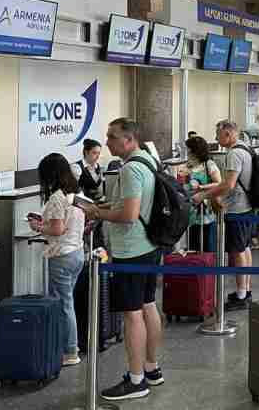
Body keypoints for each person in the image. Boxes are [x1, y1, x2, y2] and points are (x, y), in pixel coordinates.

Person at [80, 118, 164, 401]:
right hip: (150, 246)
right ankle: (151, 368)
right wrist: (105, 206)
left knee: (132, 314)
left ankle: (137, 379)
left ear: (129, 140)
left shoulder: (130, 170)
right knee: (148, 304)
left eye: (112, 137)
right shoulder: (150, 162)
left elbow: (128, 215)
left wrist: (97, 213)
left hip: (132, 250)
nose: (107, 142)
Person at [29, 153, 86, 367]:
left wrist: (38, 227)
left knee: (64, 304)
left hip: (61, 256)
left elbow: (57, 228)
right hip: (77, 252)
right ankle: (69, 347)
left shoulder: (56, 197)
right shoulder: (76, 194)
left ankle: (70, 351)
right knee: (67, 302)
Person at [191, 120, 256, 311]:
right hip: (247, 206)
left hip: (237, 208)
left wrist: (204, 195)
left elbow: (228, 184)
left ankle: (242, 293)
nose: (216, 138)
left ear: (228, 134)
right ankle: (246, 288)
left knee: (237, 251)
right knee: (244, 248)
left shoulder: (235, 154)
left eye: (218, 134)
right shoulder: (246, 148)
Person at [181, 135, 222, 251]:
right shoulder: (189, 164)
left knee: (206, 245)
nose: (187, 152)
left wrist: (201, 187)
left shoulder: (209, 164)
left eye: (189, 149)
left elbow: (219, 183)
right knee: (193, 246)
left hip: (206, 212)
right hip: (191, 212)